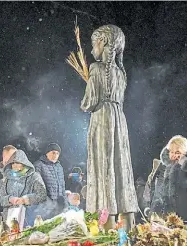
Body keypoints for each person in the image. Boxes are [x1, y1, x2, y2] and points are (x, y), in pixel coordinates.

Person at [80, 24, 138, 231]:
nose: (91, 49)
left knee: (104, 166)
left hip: (102, 119)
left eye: (94, 44)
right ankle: (129, 223)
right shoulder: (120, 73)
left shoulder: (96, 69)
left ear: (103, 43)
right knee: (121, 167)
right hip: (119, 120)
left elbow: (88, 103)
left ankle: (107, 224)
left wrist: (89, 86)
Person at [0, 150, 47, 228]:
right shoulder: (7, 178)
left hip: (28, 218)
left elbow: (42, 194)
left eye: (17, 162)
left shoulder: (34, 176)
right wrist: (10, 199)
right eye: (12, 163)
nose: (14, 165)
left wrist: (25, 199)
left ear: (23, 163)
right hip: (9, 219)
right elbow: (1, 198)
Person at [33, 143, 67, 220]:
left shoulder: (59, 167)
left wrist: (65, 205)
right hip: (44, 208)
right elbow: (37, 187)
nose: (55, 155)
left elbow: (62, 187)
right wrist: (48, 203)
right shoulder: (39, 165)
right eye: (53, 152)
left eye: (57, 153)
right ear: (47, 153)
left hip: (59, 207)